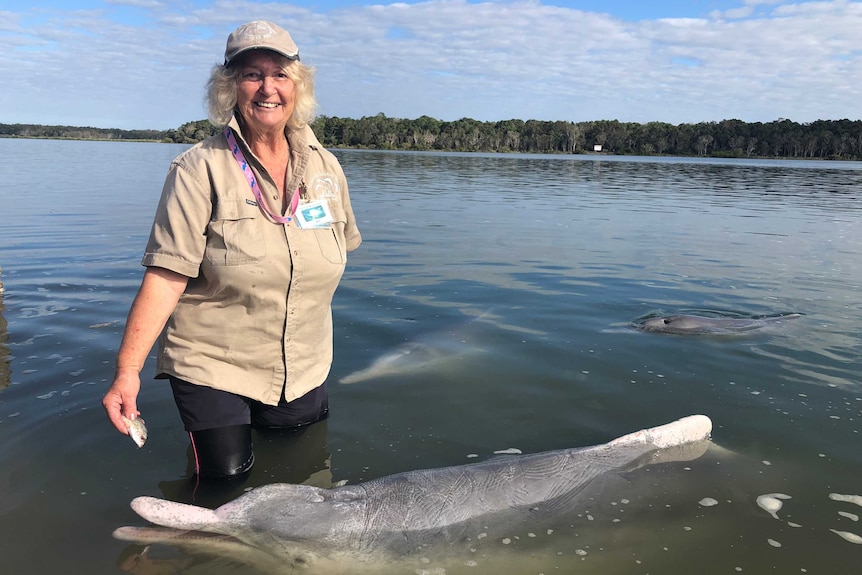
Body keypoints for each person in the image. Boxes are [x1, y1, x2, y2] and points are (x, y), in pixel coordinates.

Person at [102, 20, 361, 479]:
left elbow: (341, 247)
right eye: (251, 74)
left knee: (302, 477)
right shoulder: (197, 169)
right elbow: (166, 276)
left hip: (303, 362)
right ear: (229, 88)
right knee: (225, 481)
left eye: (280, 74)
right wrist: (128, 371)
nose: (268, 88)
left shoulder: (326, 167)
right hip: (213, 361)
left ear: (297, 86)